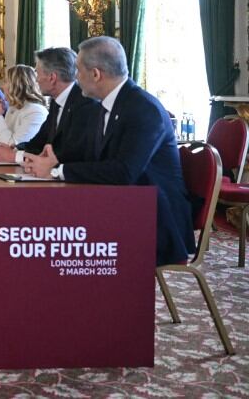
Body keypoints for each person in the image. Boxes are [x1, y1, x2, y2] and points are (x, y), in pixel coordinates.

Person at [23, 36, 195, 266]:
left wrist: (57, 170)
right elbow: (94, 159)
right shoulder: (108, 105)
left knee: (61, 237)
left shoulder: (143, 109)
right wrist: (55, 161)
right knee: (48, 227)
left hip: (155, 217)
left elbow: (124, 172)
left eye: (78, 71)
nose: (75, 77)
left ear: (96, 74)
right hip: (119, 204)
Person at [0, 46, 96, 164]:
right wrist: (14, 150)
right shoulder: (57, 102)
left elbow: (67, 154)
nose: (36, 80)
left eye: (37, 74)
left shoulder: (85, 104)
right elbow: (37, 144)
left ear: (52, 78)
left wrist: (16, 157)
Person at [0, 64, 48, 148]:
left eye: (5, 81)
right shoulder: (13, 108)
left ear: (17, 85)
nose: (2, 86)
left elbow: (14, 147)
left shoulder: (36, 111)